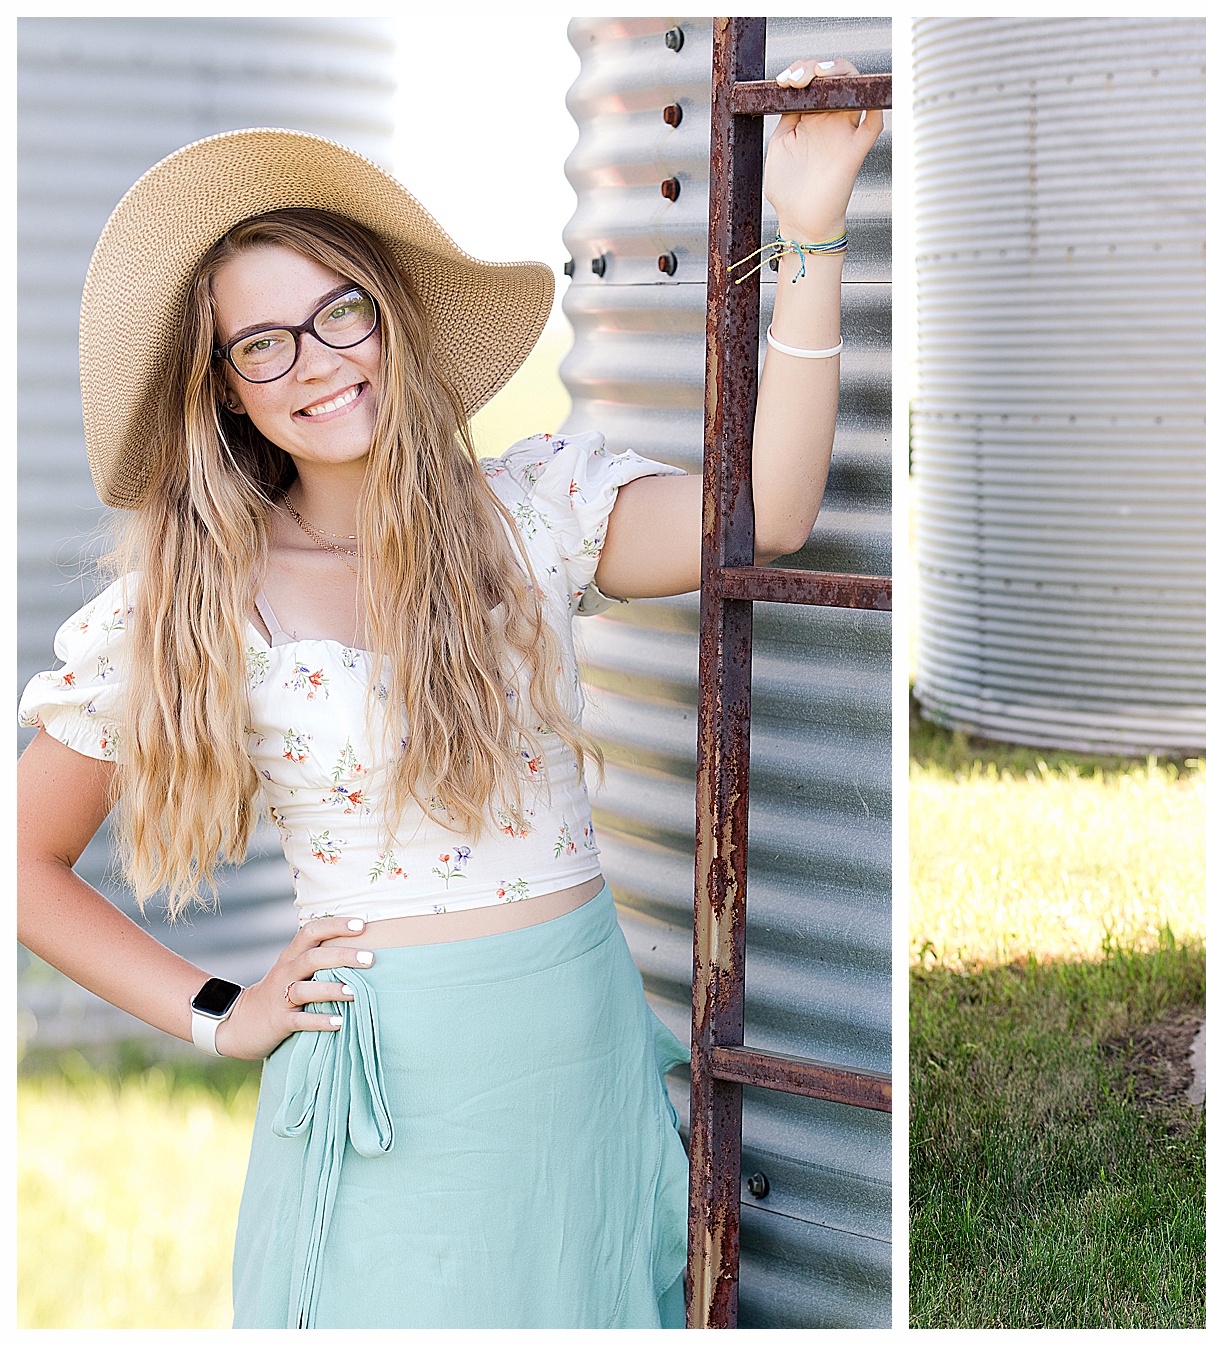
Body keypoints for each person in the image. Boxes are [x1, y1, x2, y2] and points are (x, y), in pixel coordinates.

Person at [17, 58, 881, 1329]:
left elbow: (774, 510)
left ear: (391, 317)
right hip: (389, 1106)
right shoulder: (194, 600)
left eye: (341, 312)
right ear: (227, 391)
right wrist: (219, 1013)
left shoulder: (532, 513)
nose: (317, 361)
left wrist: (809, 217)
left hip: (578, 1058)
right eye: (264, 343)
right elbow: (21, 859)